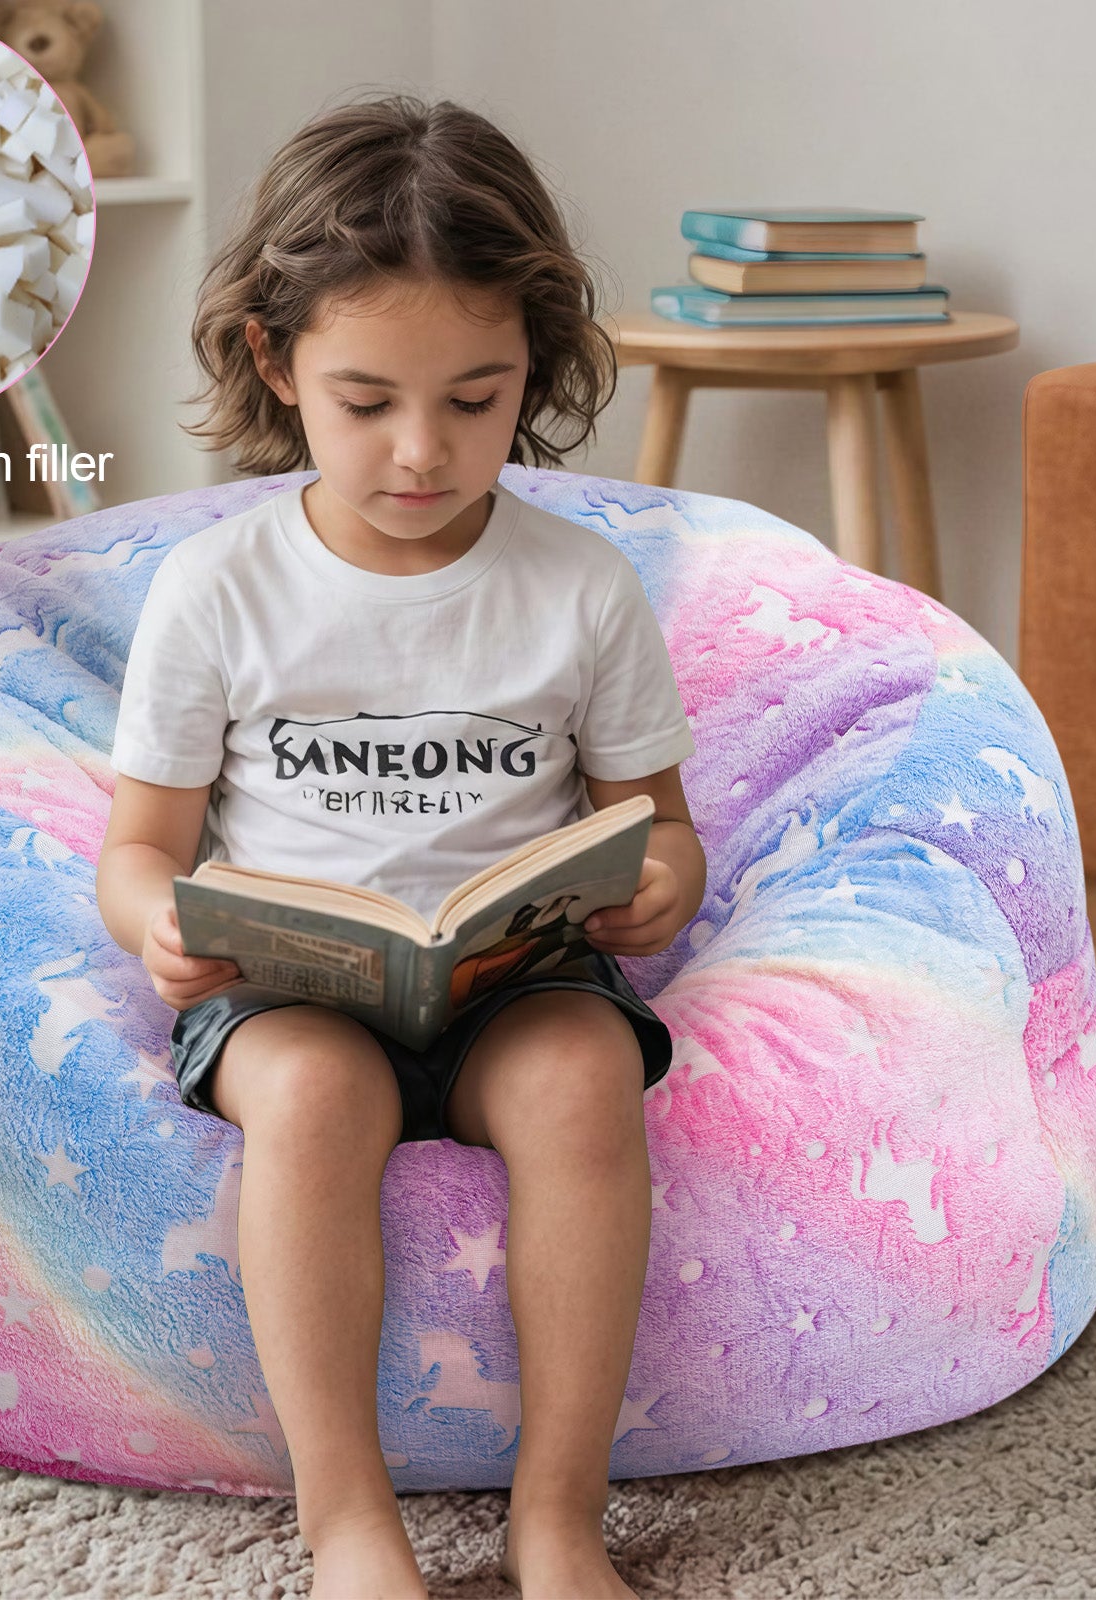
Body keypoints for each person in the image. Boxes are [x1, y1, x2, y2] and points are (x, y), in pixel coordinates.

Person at [96, 93, 705, 1600]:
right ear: (275, 361)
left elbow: (664, 828)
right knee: (310, 1090)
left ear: (535, 374)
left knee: (577, 1081)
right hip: (293, 987)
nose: (423, 452)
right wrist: (157, 928)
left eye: (477, 399)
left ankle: (558, 1516)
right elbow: (138, 849)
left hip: (517, 975)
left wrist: (660, 886)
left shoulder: (581, 588)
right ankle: (346, 1517)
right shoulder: (218, 589)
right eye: (367, 402)